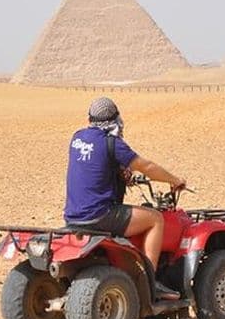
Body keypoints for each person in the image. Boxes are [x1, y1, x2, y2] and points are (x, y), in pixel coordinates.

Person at [63, 97, 185, 299]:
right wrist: (174, 180)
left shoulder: (77, 138)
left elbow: (95, 166)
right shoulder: (112, 143)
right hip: (100, 215)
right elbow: (146, 167)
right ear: (115, 120)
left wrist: (122, 175)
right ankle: (150, 282)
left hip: (73, 216)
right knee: (155, 219)